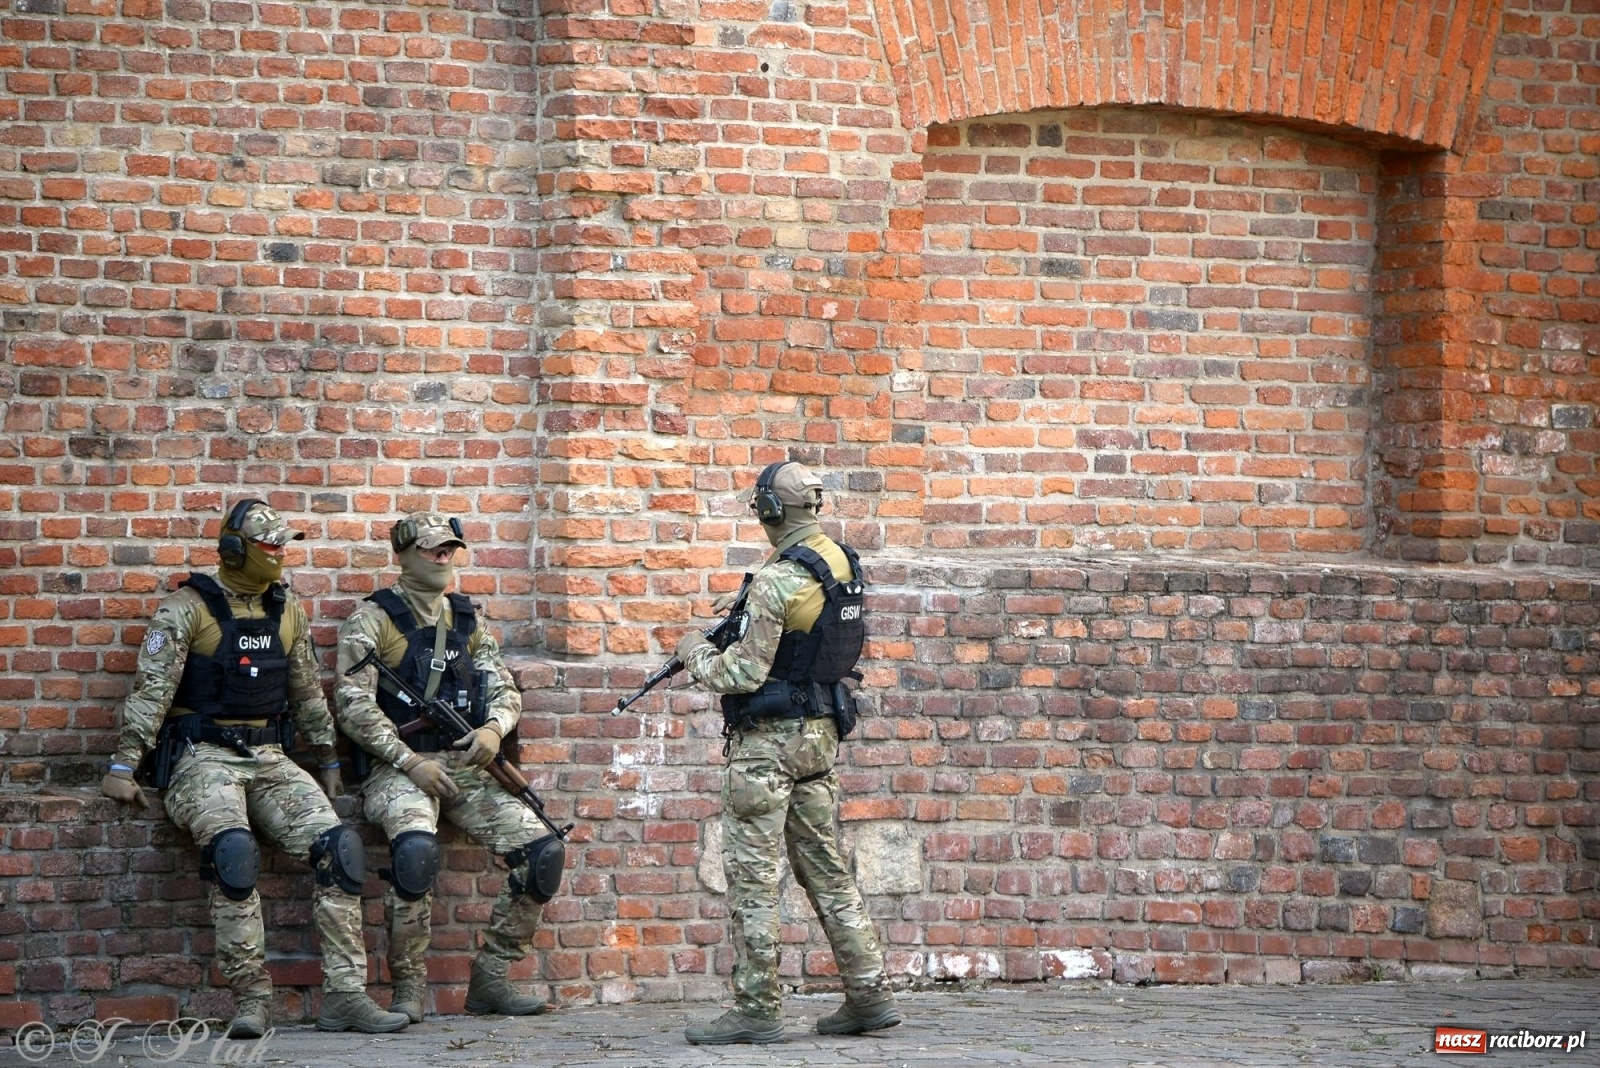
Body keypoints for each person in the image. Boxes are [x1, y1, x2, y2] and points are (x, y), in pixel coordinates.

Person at [99, 499, 409, 1038]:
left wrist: (328, 757)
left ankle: (345, 997)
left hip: (269, 757)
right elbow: (151, 692)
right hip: (200, 759)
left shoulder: (288, 610)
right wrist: (124, 765)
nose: (280, 555)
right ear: (234, 548)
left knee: (341, 849)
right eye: (270, 544)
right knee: (233, 853)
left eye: (285, 545)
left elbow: (307, 691)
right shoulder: (186, 609)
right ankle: (252, 1000)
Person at [673, 461, 899, 1045]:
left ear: (771, 510)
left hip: (767, 747)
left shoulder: (778, 579)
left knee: (751, 875)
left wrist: (693, 651)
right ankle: (868, 995)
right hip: (819, 737)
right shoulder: (841, 561)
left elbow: (743, 671)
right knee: (827, 868)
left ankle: (757, 1007)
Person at [333, 512, 560, 1024]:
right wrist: (409, 762)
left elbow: (502, 684)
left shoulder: (466, 620)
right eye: (434, 549)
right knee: (416, 852)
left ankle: (491, 979)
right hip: (399, 769)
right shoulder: (373, 620)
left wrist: (493, 729)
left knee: (543, 851)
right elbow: (352, 705)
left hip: (465, 766)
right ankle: (408, 987)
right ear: (405, 553)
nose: (444, 558)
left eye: (450, 550)